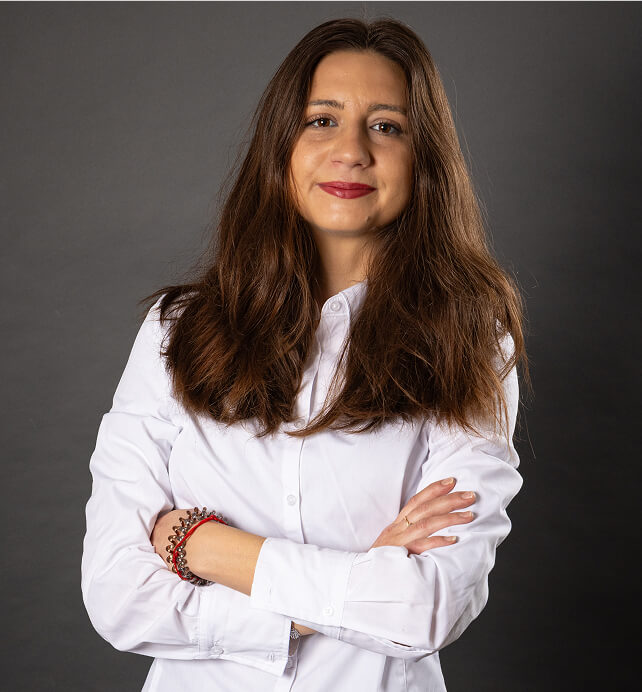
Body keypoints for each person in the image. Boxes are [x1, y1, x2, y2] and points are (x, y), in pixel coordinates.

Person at [81, 17, 528, 692]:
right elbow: (118, 598)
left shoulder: (471, 343)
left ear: (424, 159)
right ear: (280, 145)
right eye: (322, 120)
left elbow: (427, 608)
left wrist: (202, 545)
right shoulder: (176, 331)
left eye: (386, 126)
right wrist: (354, 586)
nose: (351, 151)